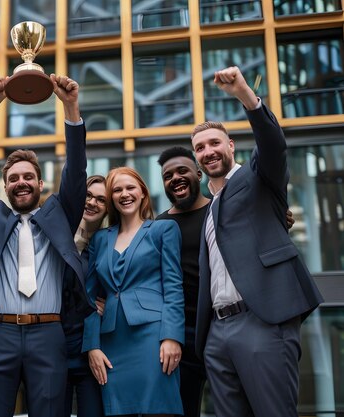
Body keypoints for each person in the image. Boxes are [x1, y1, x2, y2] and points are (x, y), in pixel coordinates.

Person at [0, 75, 96, 417]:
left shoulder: (59, 215)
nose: (21, 183)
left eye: (27, 177)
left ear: (40, 182)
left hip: (48, 332)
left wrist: (71, 108)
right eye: (13, 179)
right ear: (5, 186)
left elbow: (77, 172)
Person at [191, 66, 323, 417]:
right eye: (200, 148)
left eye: (215, 143)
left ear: (230, 146)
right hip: (217, 335)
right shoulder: (208, 210)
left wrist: (245, 96)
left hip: (261, 322)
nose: (208, 151)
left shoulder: (258, 178)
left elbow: (273, 143)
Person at [83, 166, 184, 417]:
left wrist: (172, 337)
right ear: (112, 199)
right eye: (117, 190)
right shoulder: (100, 239)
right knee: (118, 410)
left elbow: (173, 287)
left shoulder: (163, 229)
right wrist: (92, 346)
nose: (124, 194)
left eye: (130, 188)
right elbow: (89, 297)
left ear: (142, 193)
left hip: (153, 337)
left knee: (158, 408)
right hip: (111, 341)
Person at [156, 146, 209, 417]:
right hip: (180, 335)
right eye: (167, 175)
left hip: (222, 327)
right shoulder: (158, 225)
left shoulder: (221, 211)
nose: (175, 177)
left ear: (198, 174)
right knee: (182, 409)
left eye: (182, 171)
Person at [63, 175, 107, 417]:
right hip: (55, 347)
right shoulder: (57, 239)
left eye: (101, 199)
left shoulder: (107, 244)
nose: (92, 202)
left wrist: (111, 303)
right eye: (88, 196)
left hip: (90, 349)